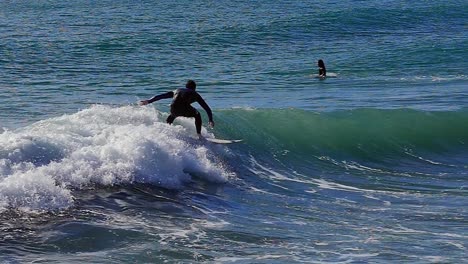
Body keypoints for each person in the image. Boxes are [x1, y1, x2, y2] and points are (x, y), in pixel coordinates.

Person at [139, 80, 214, 139]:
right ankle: (199, 135)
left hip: (173, 107)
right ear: (194, 88)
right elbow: (206, 108)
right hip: (184, 108)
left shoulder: (176, 90)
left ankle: (166, 132)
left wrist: (148, 101)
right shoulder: (195, 94)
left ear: (186, 86)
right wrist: (210, 119)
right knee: (197, 114)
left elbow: (161, 96)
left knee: (172, 115)